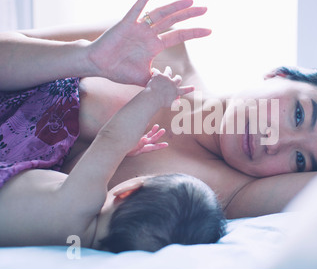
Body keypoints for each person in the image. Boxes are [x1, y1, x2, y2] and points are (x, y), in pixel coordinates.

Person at [0, 0, 317, 219]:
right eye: (298, 112)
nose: (273, 140)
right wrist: (84, 56)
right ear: (277, 75)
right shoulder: (162, 51)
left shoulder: (234, 194)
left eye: (300, 159)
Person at [0, 68, 226, 251]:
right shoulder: (76, 238)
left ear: (127, 191)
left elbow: (111, 139)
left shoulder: (82, 202)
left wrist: (153, 96)